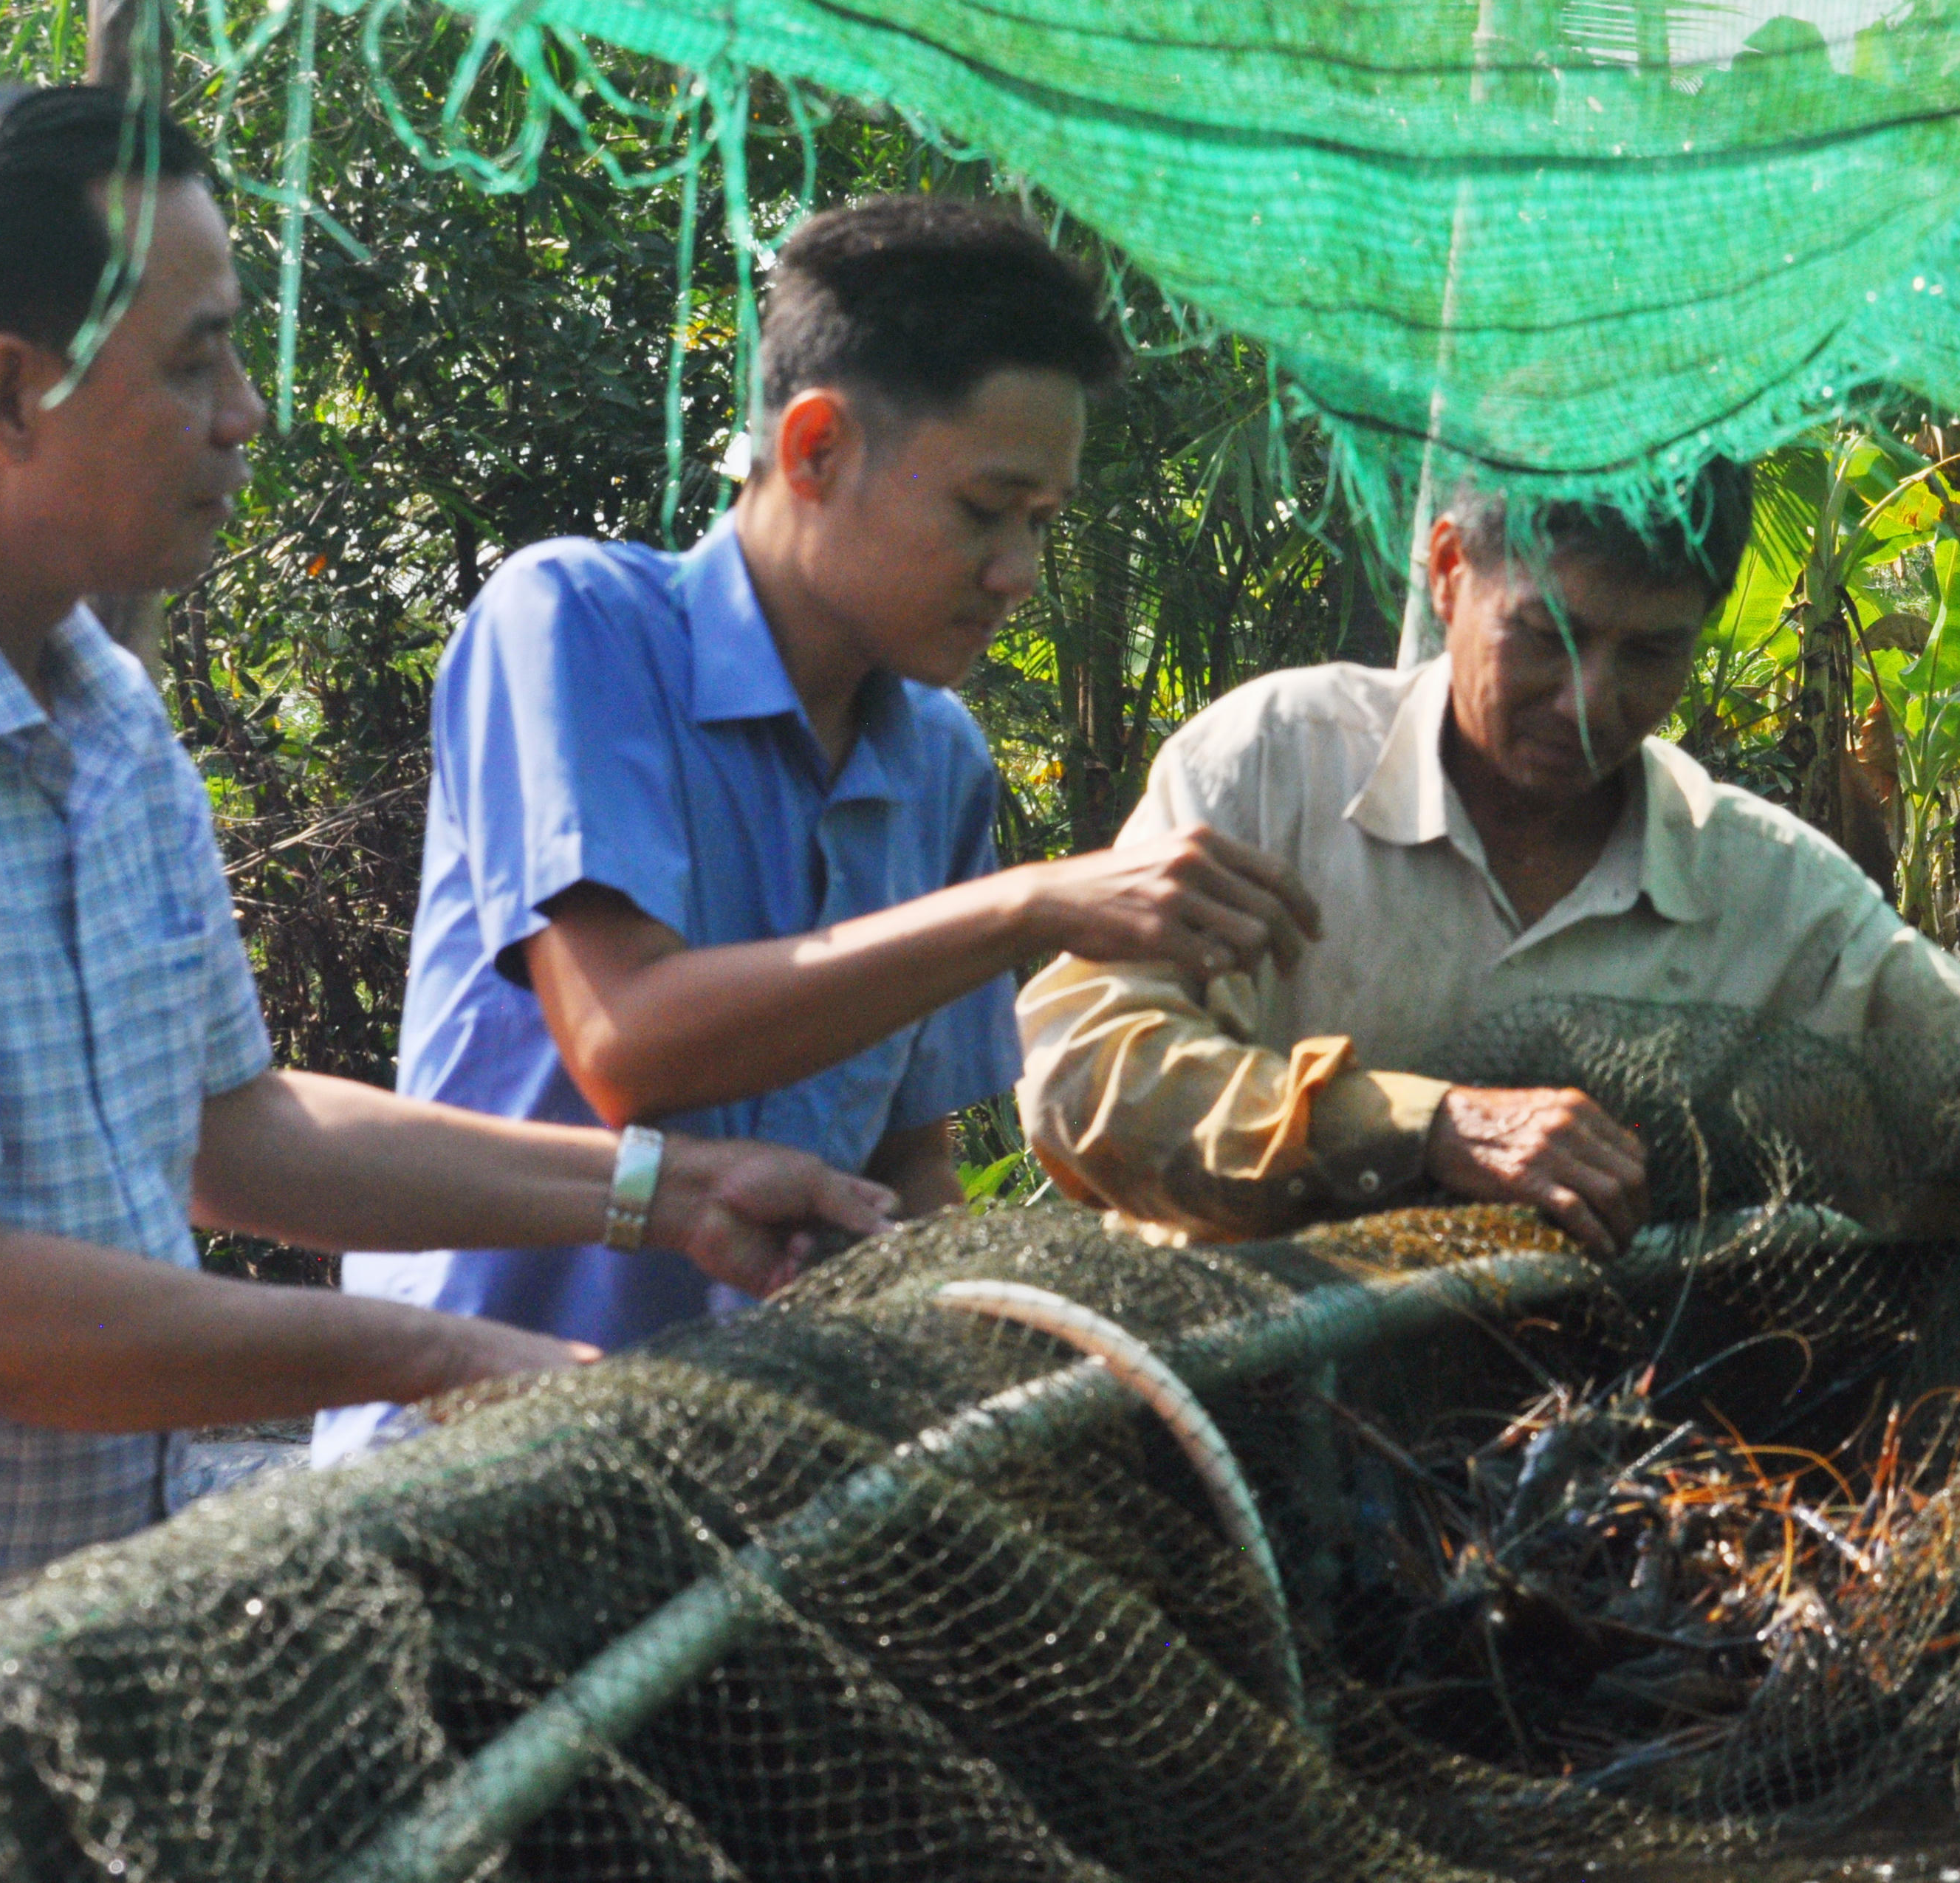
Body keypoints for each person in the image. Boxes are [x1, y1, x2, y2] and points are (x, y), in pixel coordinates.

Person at [0, 84, 894, 1880]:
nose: (247, 414)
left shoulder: (99, 705)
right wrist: (438, 1349)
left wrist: (665, 1190)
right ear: (9, 396)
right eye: (197, 360)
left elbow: (235, 1130)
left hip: (19, 1711)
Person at [316, 196, 1320, 1459]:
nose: (1017, 572)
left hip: (753, 1475)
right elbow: (628, 1041)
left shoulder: (940, 763)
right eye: (985, 508)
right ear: (816, 449)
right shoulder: (574, 622)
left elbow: (907, 1168)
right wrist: (1028, 904)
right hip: (466, 1448)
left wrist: (979, 1359)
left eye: (1043, 523)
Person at [1015, 470, 1960, 1246]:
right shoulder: (1274, 767)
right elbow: (1085, 1073)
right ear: (1448, 572)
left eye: (1650, 654)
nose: (1588, 700)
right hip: (1243, 1426)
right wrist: (1424, 1122)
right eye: (1547, 635)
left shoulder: (1758, 882)